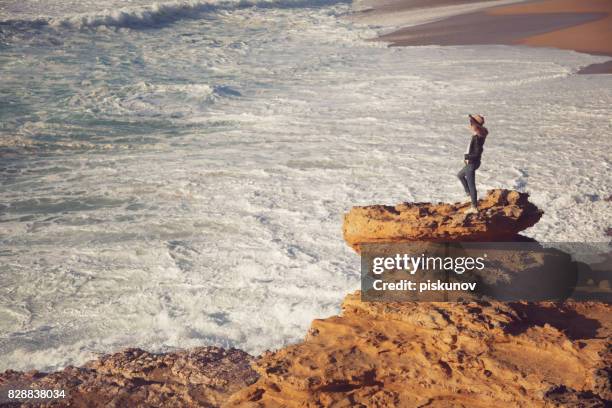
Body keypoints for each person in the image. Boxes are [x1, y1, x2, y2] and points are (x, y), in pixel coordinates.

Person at [457, 114, 488, 214]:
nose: (470, 124)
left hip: (471, 163)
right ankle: (469, 196)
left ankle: (474, 207)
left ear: (475, 125)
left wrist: (467, 157)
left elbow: (477, 153)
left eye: (471, 122)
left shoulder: (477, 138)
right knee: (460, 175)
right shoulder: (477, 135)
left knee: (471, 185)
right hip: (471, 163)